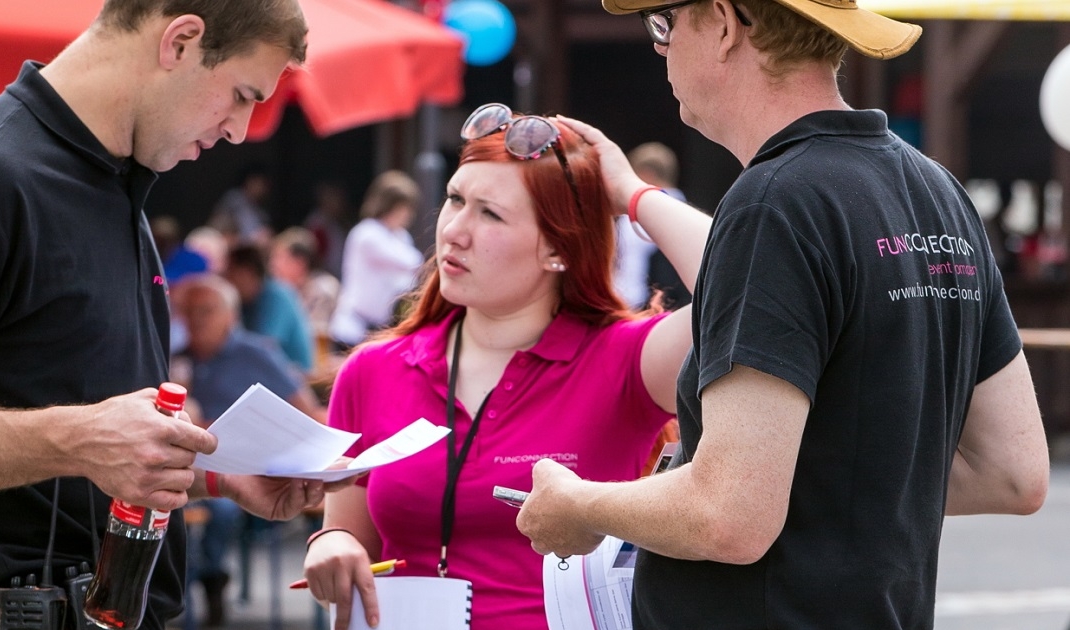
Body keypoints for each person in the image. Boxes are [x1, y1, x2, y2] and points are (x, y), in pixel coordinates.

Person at [0, 3, 345, 629]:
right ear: (181, 41)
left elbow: (82, 436)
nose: (239, 130)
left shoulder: (117, 185)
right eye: (242, 94)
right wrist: (79, 439)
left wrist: (213, 475)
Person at [515, 2, 1050, 628]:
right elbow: (1013, 473)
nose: (660, 48)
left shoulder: (774, 201)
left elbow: (730, 516)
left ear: (722, 22)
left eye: (665, 23)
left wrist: (579, 504)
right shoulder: (938, 192)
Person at [301, 103, 711, 630]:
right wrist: (331, 544)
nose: (454, 231)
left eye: (490, 214)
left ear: (558, 249)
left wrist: (631, 193)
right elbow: (352, 533)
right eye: (455, 200)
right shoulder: (373, 369)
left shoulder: (627, 358)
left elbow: (753, 288)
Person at [172, 275, 326, 626]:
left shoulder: (256, 353)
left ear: (231, 316)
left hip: (246, 466)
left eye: (206, 310)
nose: (196, 319)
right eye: (189, 312)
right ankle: (189, 587)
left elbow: (305, 411)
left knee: (221, 509)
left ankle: (209, 580)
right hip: (189, 464)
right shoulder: (177, 362)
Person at [327, 170, 426, 350]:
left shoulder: (401, 236)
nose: (408, 215)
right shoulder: (367, 233)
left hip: (379, 332)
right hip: (351, 331)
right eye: (404, 208)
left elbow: (408, 279)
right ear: (389, 205)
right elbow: (413, 262)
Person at [223, 243, 316, 373]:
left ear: (247, 272)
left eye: (230, 271)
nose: (225, 279)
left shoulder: (276, 295)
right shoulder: (243, 302)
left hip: (293, 380)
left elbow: (264, 349)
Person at [623, 141, 691, 309]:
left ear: (646, 174)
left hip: (647, 305)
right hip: (674, 305)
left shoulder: (645, 211)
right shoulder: (690, 214)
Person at [269, 227, 340, 369]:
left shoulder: (323, 287)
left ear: (299, 262)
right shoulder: (282, 291)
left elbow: (315, 334)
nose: (273, 264)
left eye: (279, 257)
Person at [209, 163, 274, 248]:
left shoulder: (260, 211)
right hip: (226, 248)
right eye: (262, 183)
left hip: (246, 250)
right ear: (250, 181)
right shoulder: (234, 198)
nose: (264, 188)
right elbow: (252, 233)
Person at [302, 181, 350, 278]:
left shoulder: (338, 222)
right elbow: (315, 255)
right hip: (324, 277)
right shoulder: (317, 223)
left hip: (340, 275)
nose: (339, 202)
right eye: (334, 198)